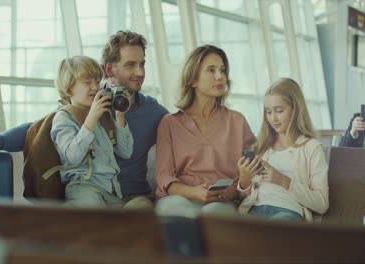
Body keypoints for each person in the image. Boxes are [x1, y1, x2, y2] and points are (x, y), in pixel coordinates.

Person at [0, 30, 168, 207]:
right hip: (89, 191)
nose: (140, 72)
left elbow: (180, 127)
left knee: (140, 209)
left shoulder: (153, 110)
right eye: (130, 65)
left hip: (128, 197)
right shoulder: (88, 104)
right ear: (109, 70)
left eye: (142, 64)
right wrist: (0, 139)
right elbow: (40, 127)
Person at [154, 45, 256, 218]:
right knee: (175, 211)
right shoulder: (169, 123)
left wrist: (233, 191)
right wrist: (193, 192)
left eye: (222, 70)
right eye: (211, 70)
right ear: (193, 79)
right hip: (181, 197)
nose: (220, 76)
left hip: (220, 202)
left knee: (213, 214)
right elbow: (164, 177)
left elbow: (252, 169)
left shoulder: (237, 121)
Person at [237, 78, 329, 221]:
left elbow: (322, 204)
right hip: (254, 210)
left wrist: (284, 181)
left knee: (272, 231)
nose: (273, 118)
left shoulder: (312, 148)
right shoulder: (261, 146)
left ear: (295, 109)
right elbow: (243, 197)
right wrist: (244, 180)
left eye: (279, 111)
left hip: (288, 212)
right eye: (268, 112)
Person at [50, 55, 132, 207]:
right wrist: (91, 119)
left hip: (111, 190)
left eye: (97, 81)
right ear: (69, 89)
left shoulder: (102, 114)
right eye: (88, 82)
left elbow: (126, 153)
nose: (95, 87)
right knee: (93, 217)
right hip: (84, 188)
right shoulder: (64, 118)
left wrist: (120, 116)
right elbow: (73, 156)